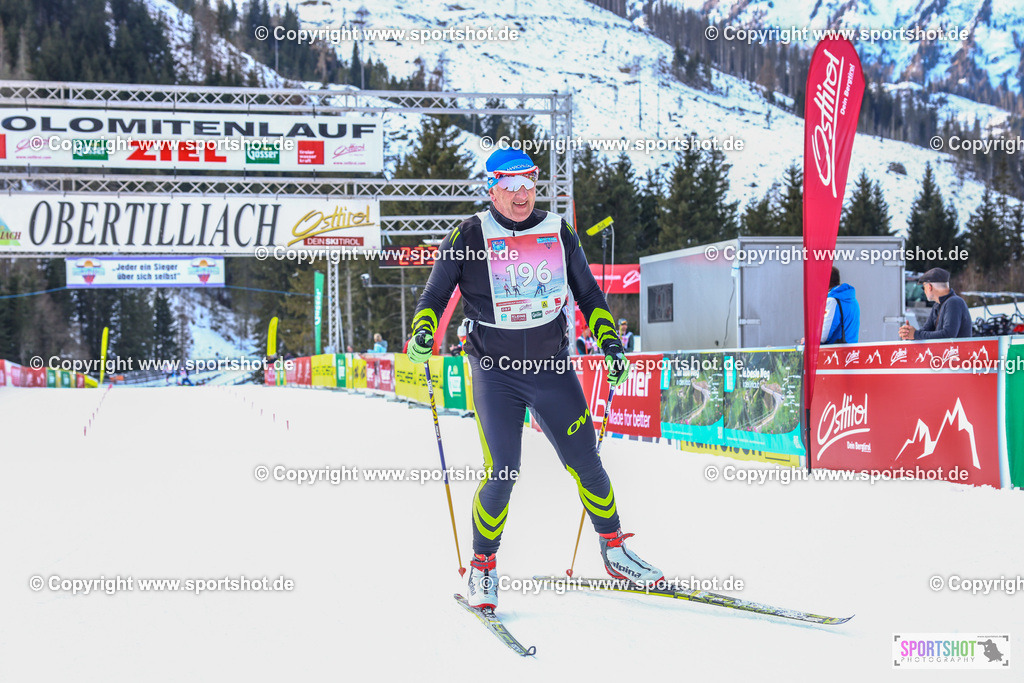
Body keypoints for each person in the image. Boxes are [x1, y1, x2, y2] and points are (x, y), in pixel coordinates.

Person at [406, 147, 662, 610]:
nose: (523, 195)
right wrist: (423, 329)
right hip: (495, 372)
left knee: (587, 461)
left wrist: (609, 342)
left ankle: (614, 548)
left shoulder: (557, 230)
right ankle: (483, 566)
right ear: (492, 189)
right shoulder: (467, 235)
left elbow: (586, 291)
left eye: (529, 184)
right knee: (503, 471)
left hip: (551, 367)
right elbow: (434, 294)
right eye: (511, 186)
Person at [899, 268, 972, 340]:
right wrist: (909, 333)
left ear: (929, 287)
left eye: (923, 287)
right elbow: (926, 330)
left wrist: (916, 334)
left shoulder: (954, 302)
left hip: (957, 352)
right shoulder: (938, 305)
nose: (924, 291)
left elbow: (948, 335)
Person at [821, 267, 860, 344]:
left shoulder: (832, 301)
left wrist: (807, 341)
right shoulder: (851, 299)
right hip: (850, 351)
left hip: (836, 353)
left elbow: (823, 336)